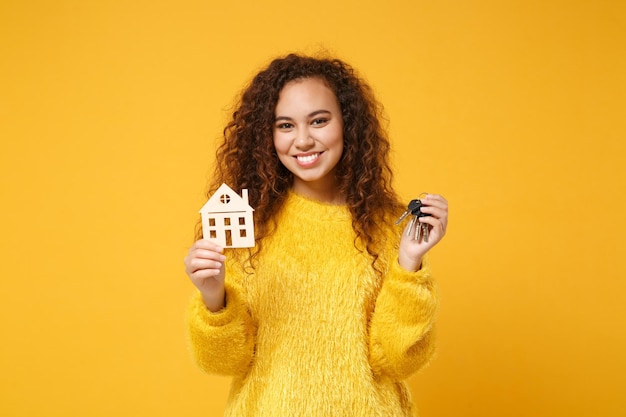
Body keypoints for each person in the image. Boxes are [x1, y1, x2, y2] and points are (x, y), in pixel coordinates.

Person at [184, 53, 448, 417]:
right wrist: (213, 298)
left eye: (319, 120)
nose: (303, 140)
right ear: (267, 134)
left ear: (347, 124)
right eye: (285, 125)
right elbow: (222, 362)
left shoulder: (391, 227)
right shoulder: (247, 225)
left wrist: (409, 264)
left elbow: (397, 361)